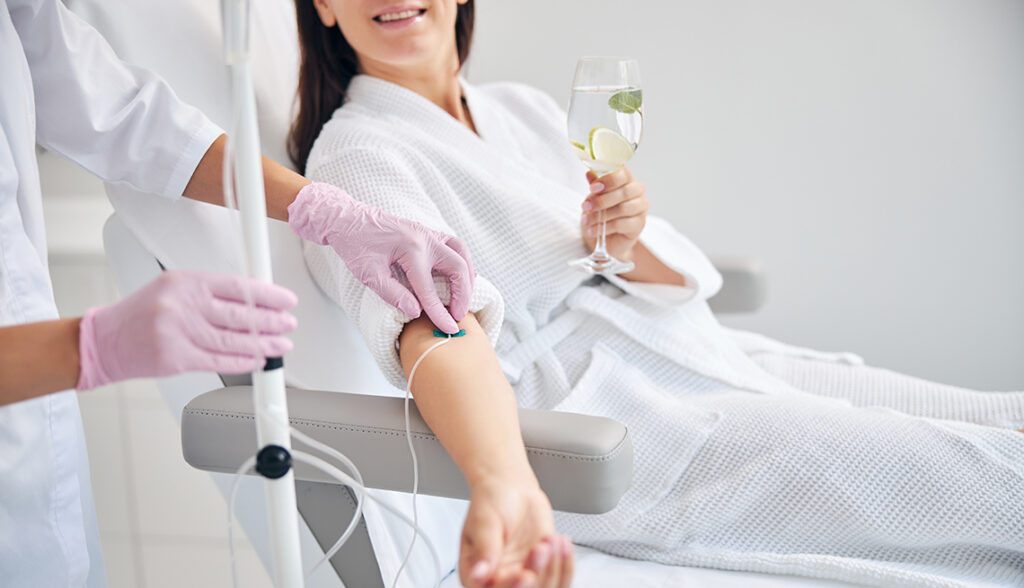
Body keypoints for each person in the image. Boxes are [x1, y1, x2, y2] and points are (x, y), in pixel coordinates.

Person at [290, 1, 1024, 587]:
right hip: (608, 418)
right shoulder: (359, 153)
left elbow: (659, 277)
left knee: (1000, 418)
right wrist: (502, 480)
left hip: (693, 352)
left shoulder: (520, 110)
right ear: (322, 5)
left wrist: (625, 234)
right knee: (974, 474)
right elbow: (433, 326)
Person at [0, 0, 476, 585]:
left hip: (32, 458)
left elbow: (127, 117)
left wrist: (321, 210)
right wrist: (89, 346)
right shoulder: (360, 148)